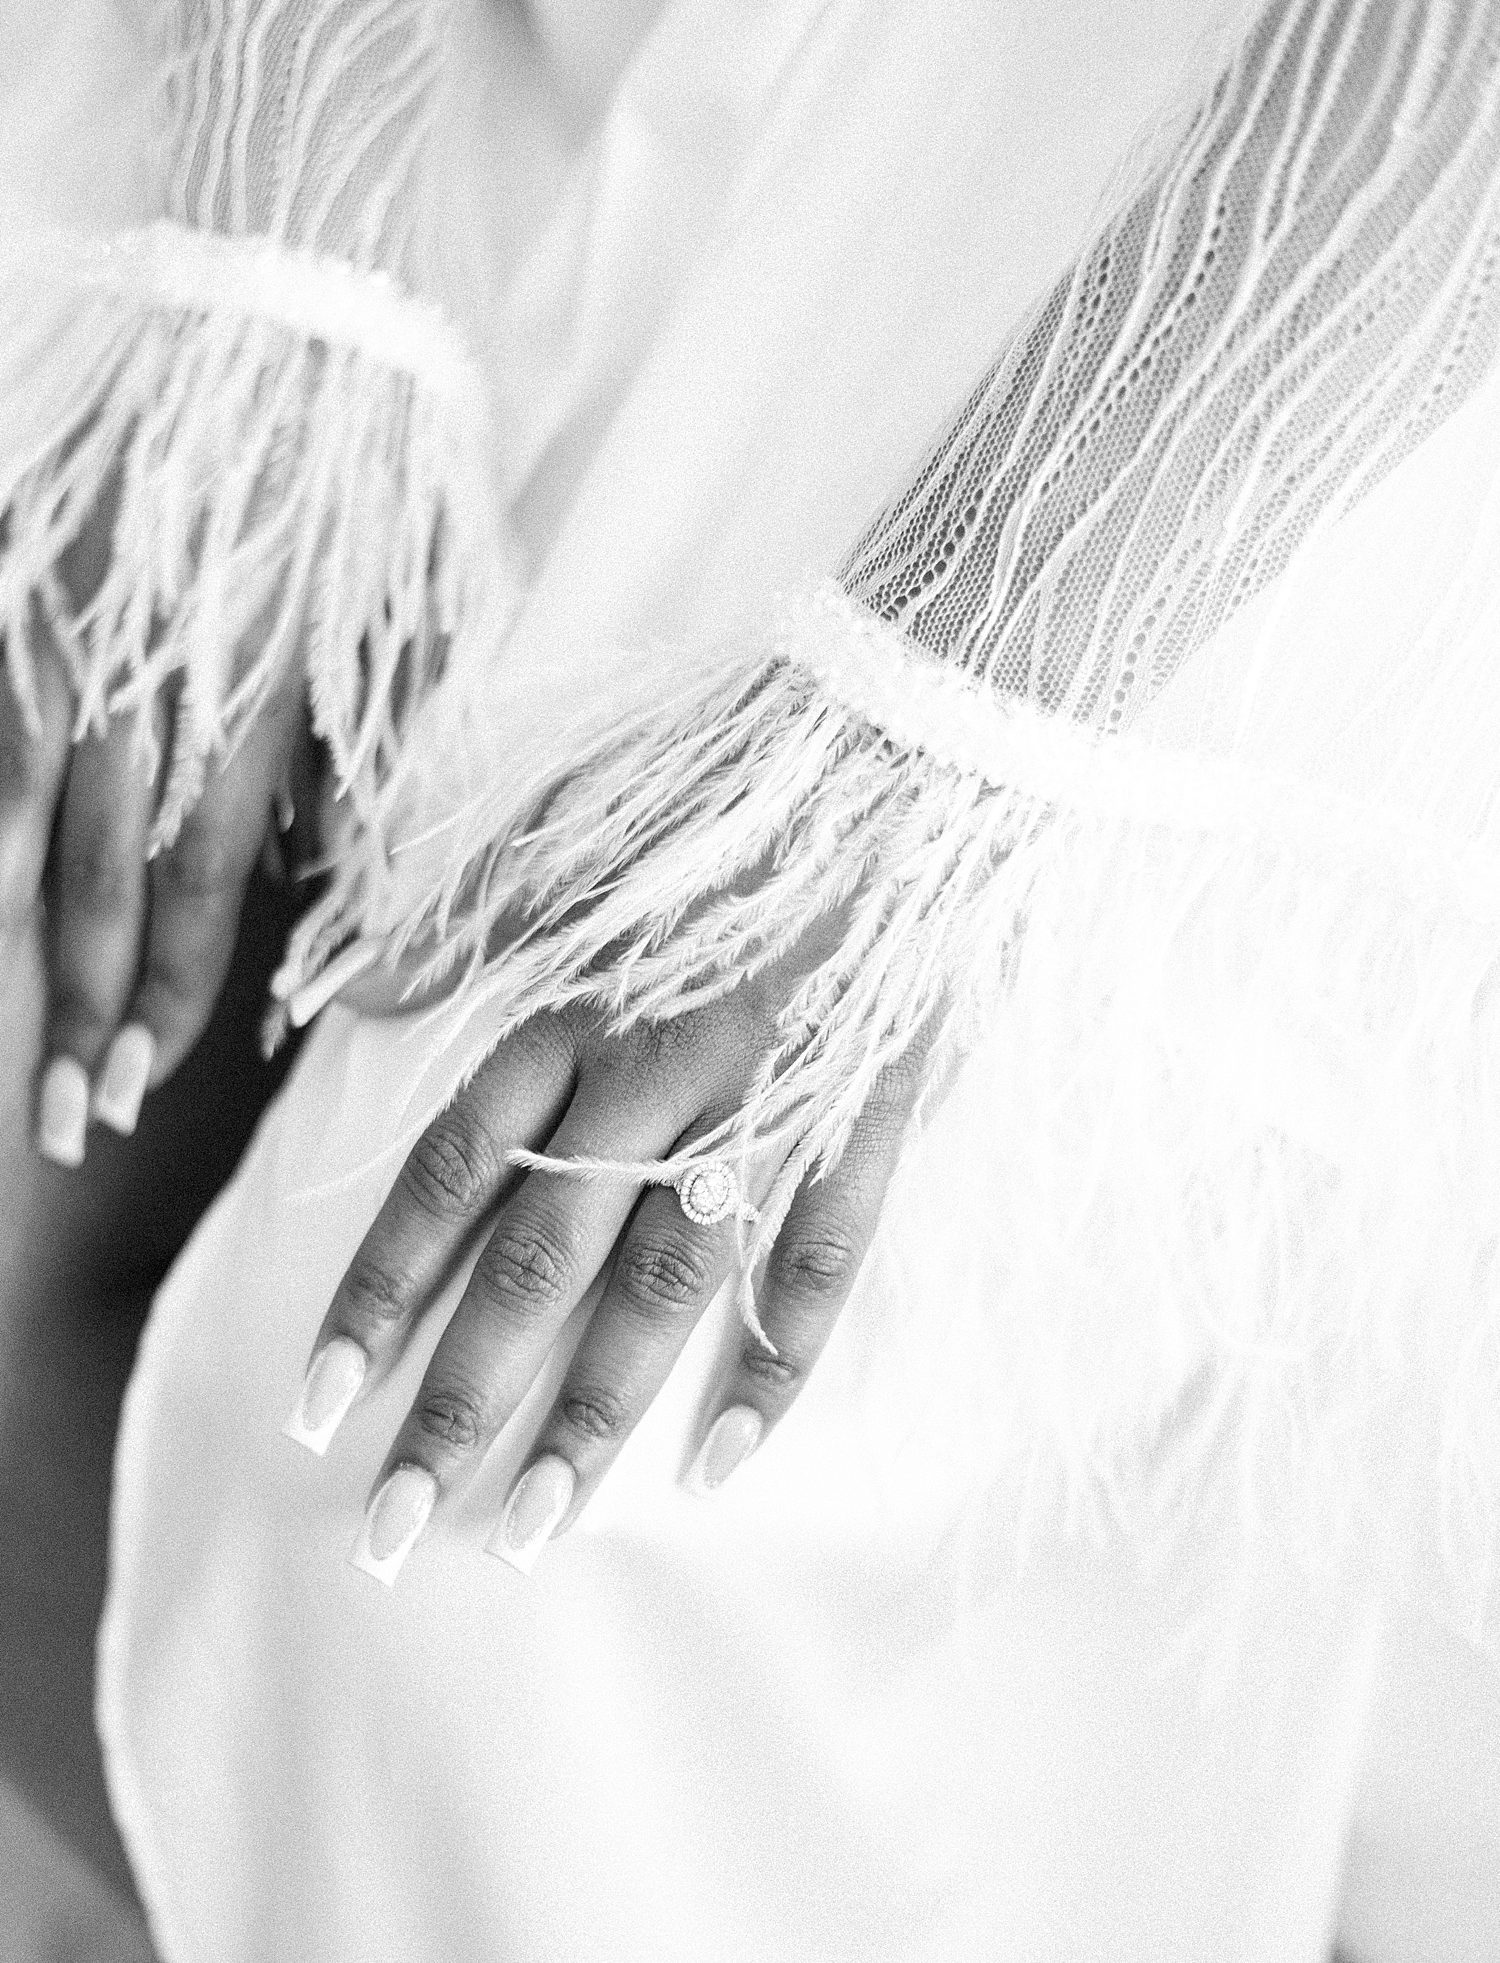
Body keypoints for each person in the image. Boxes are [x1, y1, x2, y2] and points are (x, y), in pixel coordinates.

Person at [3, 0, 1500, 1956]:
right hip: (445, 80)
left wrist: (926, 723)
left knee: (510, 1567)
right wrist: (279, 190)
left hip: (1192, 313)